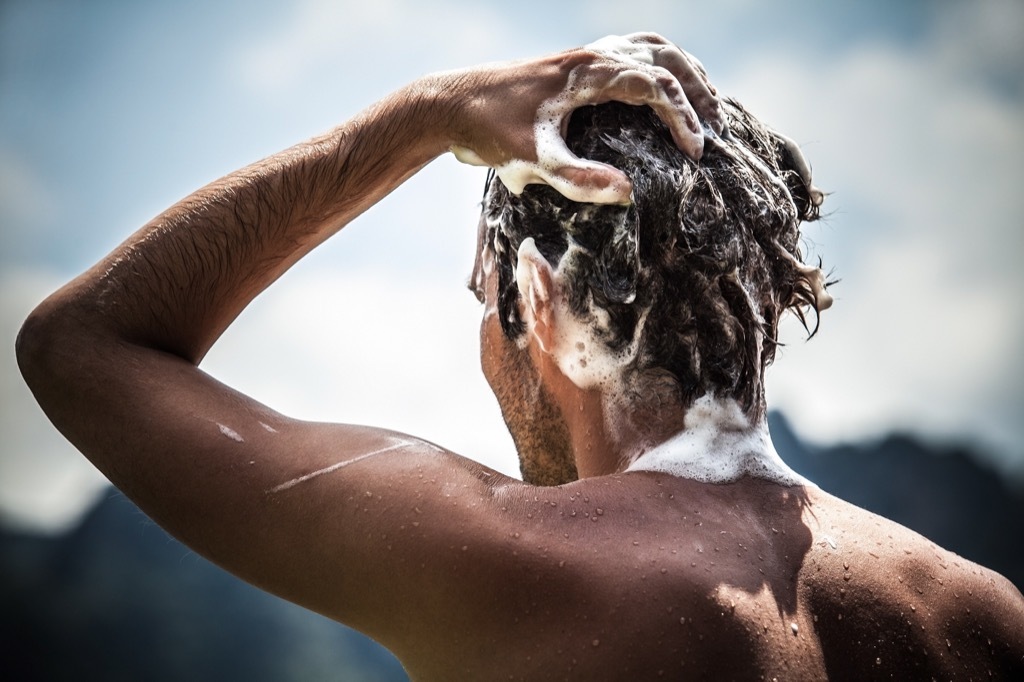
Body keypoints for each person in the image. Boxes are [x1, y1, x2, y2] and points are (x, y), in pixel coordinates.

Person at [16, 33, 1023, 680]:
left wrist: (419, 117)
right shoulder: (976, 614)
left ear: (540, 306)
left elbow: (82, 344)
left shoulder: (509, 563)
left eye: (482, 300)